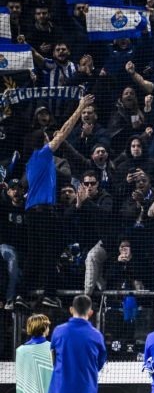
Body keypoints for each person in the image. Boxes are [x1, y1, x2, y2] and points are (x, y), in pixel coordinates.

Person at [23, 93, 95, 309]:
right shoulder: (43, 154)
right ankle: (49, 293)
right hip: (43, 210)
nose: (50, 139)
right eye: (47, 138)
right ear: (42, 142)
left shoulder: (31, 162)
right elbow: (64, 132)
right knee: (53, 247)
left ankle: (22, 294)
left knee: (34, 252)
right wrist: (80, 107)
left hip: (31, 211)